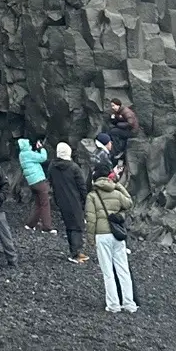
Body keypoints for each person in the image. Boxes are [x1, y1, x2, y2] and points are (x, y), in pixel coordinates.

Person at [85, 160, 137, 313]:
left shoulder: (92, 196)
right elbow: (129, 202)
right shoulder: (116, 192)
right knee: (123, 270)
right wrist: (118, 184)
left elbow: (91, 219)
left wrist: (90, 239)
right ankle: (129, 304)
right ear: (109, 175)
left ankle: (113, 305)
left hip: (102, 236)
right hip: (117, 235)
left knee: (108, 272)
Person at [48, 142, 89, 262]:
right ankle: (76, 254)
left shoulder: (52, 166)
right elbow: (81, 185)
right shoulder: (73, 167)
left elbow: (50, 181)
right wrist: (85, 198)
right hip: (74, 199)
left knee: (69, 225)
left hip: (60, 199)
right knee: (77, 225)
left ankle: (73, 250)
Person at [18, 136, 53, 231]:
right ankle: (47, 227)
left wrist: (37, 150)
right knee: (45, 204)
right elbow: (43, 158)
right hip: (39, 181)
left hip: (32, 182)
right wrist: (41, 148)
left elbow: (34, 159)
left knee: (38, 204)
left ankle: (30, 224)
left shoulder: (22, 154)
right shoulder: (28, 153)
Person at [106, 99, 139, 165]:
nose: (112, 107)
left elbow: (131, 123)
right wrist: (113, 119)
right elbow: (116, 122)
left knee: (114, 132)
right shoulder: (117, 112)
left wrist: (119, 125)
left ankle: (117, 150)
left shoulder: (126, 112)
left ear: (118, 105)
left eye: (113, 105)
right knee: (111, 131)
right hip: (125, 129)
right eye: (111, 106)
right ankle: (113, 147)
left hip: (132, 131)